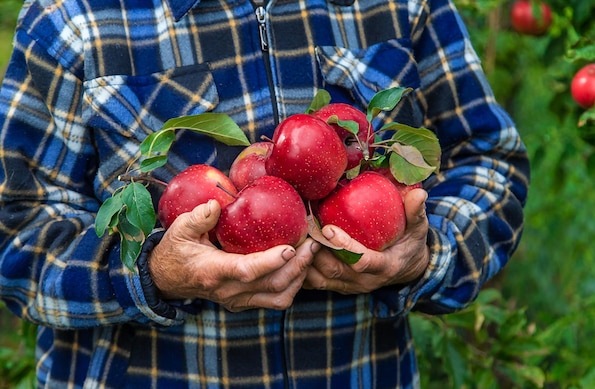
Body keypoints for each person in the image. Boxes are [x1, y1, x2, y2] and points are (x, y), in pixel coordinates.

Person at [0, 0, 529, 387]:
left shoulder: (401, 5)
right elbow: (15, 235)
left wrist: (426, 256)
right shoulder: (70, 18)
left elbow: (490, 161)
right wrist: (152, 275)